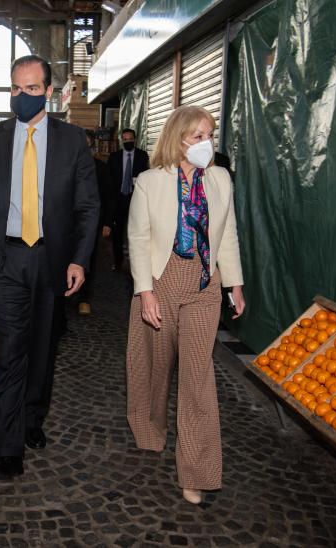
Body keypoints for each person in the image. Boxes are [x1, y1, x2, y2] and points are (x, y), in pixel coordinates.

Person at [0, 55, 99, 480]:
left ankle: (32, 418)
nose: (22, 96)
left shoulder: (73, 140)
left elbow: (88, 206)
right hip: (6, 259)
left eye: (32, 89)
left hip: (52, 258)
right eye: (16, 89)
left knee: (43, 347)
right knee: (12, 352)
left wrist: (79, 259)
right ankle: (7, 450)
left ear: (50, 92)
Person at [125, 105, 245, 506]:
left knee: (198, 378)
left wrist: (234, 284)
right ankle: (150, 430)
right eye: (197, 136)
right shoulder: (149, 182)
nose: (205, 143)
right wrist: (145, 292)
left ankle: (196, 471)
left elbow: (227, 234)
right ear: (177, 139)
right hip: (161, 281)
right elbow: (139, 240)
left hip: (203, 287)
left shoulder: (221, 179)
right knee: (154, 367)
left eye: (209, 135)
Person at [76, 129, 113, 315]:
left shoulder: (100, 167)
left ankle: (84, 298)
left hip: (91, 223)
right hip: (65, 224)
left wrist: (107, 222)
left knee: (87, 259)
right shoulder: (62, 165)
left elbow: (108, 197)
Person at [106, 128, 149, 271]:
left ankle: (136, 262)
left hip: (135, 199)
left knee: (136, 232)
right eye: (125, 139)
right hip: (118, 200)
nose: (128, 141)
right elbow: (110, 180)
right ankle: (117, 262)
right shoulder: (114, 157)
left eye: (130, 139)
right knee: (117, 233)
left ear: (135, 139)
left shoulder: (143, 156)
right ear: (121, 141)